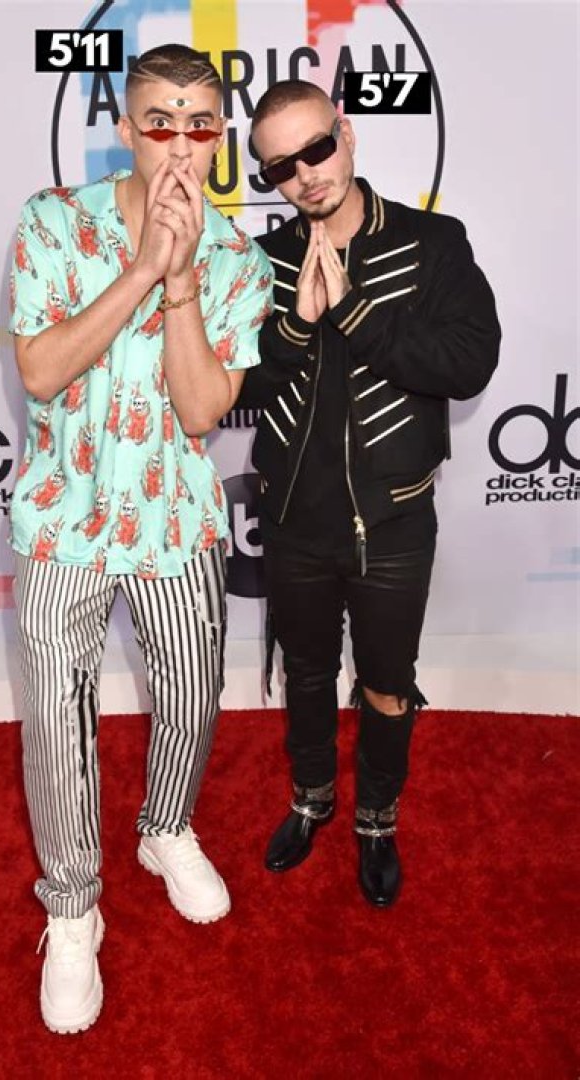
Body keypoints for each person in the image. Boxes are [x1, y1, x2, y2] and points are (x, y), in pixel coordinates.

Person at [8, 44, 272, 1034]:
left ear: (218, 137)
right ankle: (73, 908)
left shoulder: (241, 260)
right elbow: (42, 371)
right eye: (159, 121)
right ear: (126, 130)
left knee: (193, 698)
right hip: (62, 519)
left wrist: (184, 279)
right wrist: (143, 269)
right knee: (56, 719)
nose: (179, 143)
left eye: (199, 124)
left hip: (177, 522)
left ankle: (165, 828)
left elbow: (201, 411)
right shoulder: (52, 222)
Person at [238, 80, 500, 906]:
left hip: (392, 519)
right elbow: (233, 384)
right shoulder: (260, 262)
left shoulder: (431, 243)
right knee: (308, 674)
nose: (306, 175)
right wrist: (294, 326)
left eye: (316, 149)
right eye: (281, 168)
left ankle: (377, 819)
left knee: (387, 683)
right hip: (291, 518)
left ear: (346, 135)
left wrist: (353, 314)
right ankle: (311, 799)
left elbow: (469, 364)